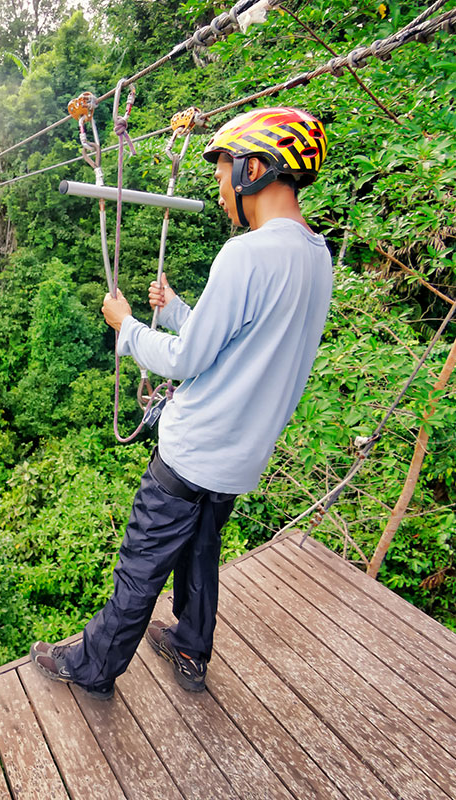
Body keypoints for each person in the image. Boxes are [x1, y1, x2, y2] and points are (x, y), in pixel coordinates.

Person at [31, 107, 333, 697]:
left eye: (223, 172)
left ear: (253, 170)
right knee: (200, 553)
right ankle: (191, 649)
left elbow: (187, 361)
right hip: (240, 459)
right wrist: (171, 311)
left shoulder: (246, 254)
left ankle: (93, 668)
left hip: (192, 450)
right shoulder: (315, 257)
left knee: (141, 564)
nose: (220, 189)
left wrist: (127, 324)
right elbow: (240, 346)